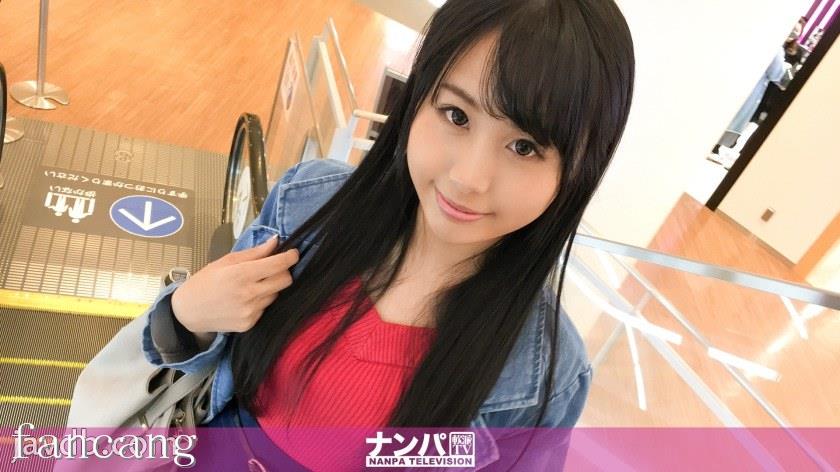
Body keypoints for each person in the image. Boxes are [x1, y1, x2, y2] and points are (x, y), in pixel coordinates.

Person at [141, 0, 635, 469]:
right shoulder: (308, 202)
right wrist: (186, 312)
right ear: (418, 98)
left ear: (577, 172)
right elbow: (180, 361)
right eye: (457, 116)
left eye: (524, 147)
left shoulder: (546, 374)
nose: (469, 177)